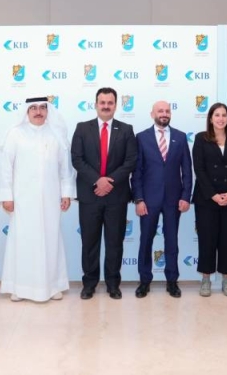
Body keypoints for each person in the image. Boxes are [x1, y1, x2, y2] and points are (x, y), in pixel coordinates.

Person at [0, 97, 74, 302]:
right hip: (22, 200)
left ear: (48, 110)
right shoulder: (16, 134)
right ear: (27, 111)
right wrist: (7, 197)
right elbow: (5, 168)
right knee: (23, 241)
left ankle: (53, 285)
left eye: (42, 107)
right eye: (33, 108)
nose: (38, 111)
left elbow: (65, 168)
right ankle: (19, 287)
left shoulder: (56, 134)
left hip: (50, 198)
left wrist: (66, 193)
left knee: (50, 240)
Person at [71, 87, 137, 300]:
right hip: (89, 196)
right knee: (89, 242)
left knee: (114, 243)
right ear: (96, 104)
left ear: (116, 105)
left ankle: (113, 284)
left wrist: (109, 181)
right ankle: (89, 284)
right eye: (102, 102)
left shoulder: (126, 130)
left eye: (110, 103)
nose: (106, 106)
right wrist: (97, 180)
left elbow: (130, 161)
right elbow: (77, 159)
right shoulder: (82, 128)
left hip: (116, 196)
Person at [131, 101, 192, 298]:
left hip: (174, 200)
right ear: (152, 114)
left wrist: (186, 197)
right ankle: (144, 281)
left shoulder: (180, 137)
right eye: (160, 111)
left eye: (167, 111)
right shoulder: (141, 138)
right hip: (148, 200)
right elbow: (137, 172)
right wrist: (138, 199)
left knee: (172, 241)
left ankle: (172, 281)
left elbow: (187, 170)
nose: (164, 114)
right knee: (146, 240)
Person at [192, 103, 227, 297]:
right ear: (210, 118)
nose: (221, 118)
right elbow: (199, 169)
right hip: (207, 199)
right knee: (207, 239)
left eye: (224, 115)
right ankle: (206, 279)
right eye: (217, 115)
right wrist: (213, 195)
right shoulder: (201, 138)